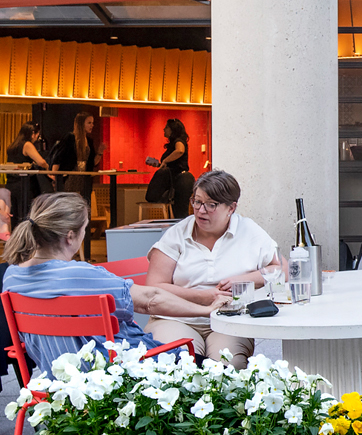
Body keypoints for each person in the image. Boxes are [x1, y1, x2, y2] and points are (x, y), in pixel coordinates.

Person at [3, 192, 227, 376]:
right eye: (85, 229)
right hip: (115, 374)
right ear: (70, 236)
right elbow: (150, 301)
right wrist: (207, 309)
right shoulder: (79, 275)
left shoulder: (12, 277)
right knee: (220, 374)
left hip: (59, 379)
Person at [145, 169, 282, 368]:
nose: (201, 210)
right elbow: (154, 286)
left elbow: (281, 269)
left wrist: (245, 280)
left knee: (227, 368)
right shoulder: (177, 234)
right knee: (178, 365)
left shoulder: (249, 231)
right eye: (197, 201)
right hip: (177, 318)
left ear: (231, 208)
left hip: (229, 319)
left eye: (211, 205)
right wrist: (205, 296)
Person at [6, 122, 52, 222]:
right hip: (24, 184)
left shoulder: (13, 145)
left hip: (11, 184)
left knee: (14, 214)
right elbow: (41, 161)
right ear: (32, 133)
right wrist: (47, 167)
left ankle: (16, 235)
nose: (36, 138)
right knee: (27, 213)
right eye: (37, 135)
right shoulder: (27, 144)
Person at [144, 119, 189, 216]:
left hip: (178, 182)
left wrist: (165, 160)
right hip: (178, 180)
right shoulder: (175, 143)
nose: (164, 129)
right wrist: (160, 164)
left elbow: (180, 151)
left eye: (167, 127)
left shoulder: (178, 141)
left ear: (172, 129)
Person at [52, 112, 100, 198]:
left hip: (84, 178)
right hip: (70, 177)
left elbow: (92, 163)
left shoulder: (89, 141)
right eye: (89, 123)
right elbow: (58, 158)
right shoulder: (70, 138)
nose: (92, 125)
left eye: (92, 123)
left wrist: (100, 153)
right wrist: (55, 178)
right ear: (81, 124)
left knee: (83, 202)